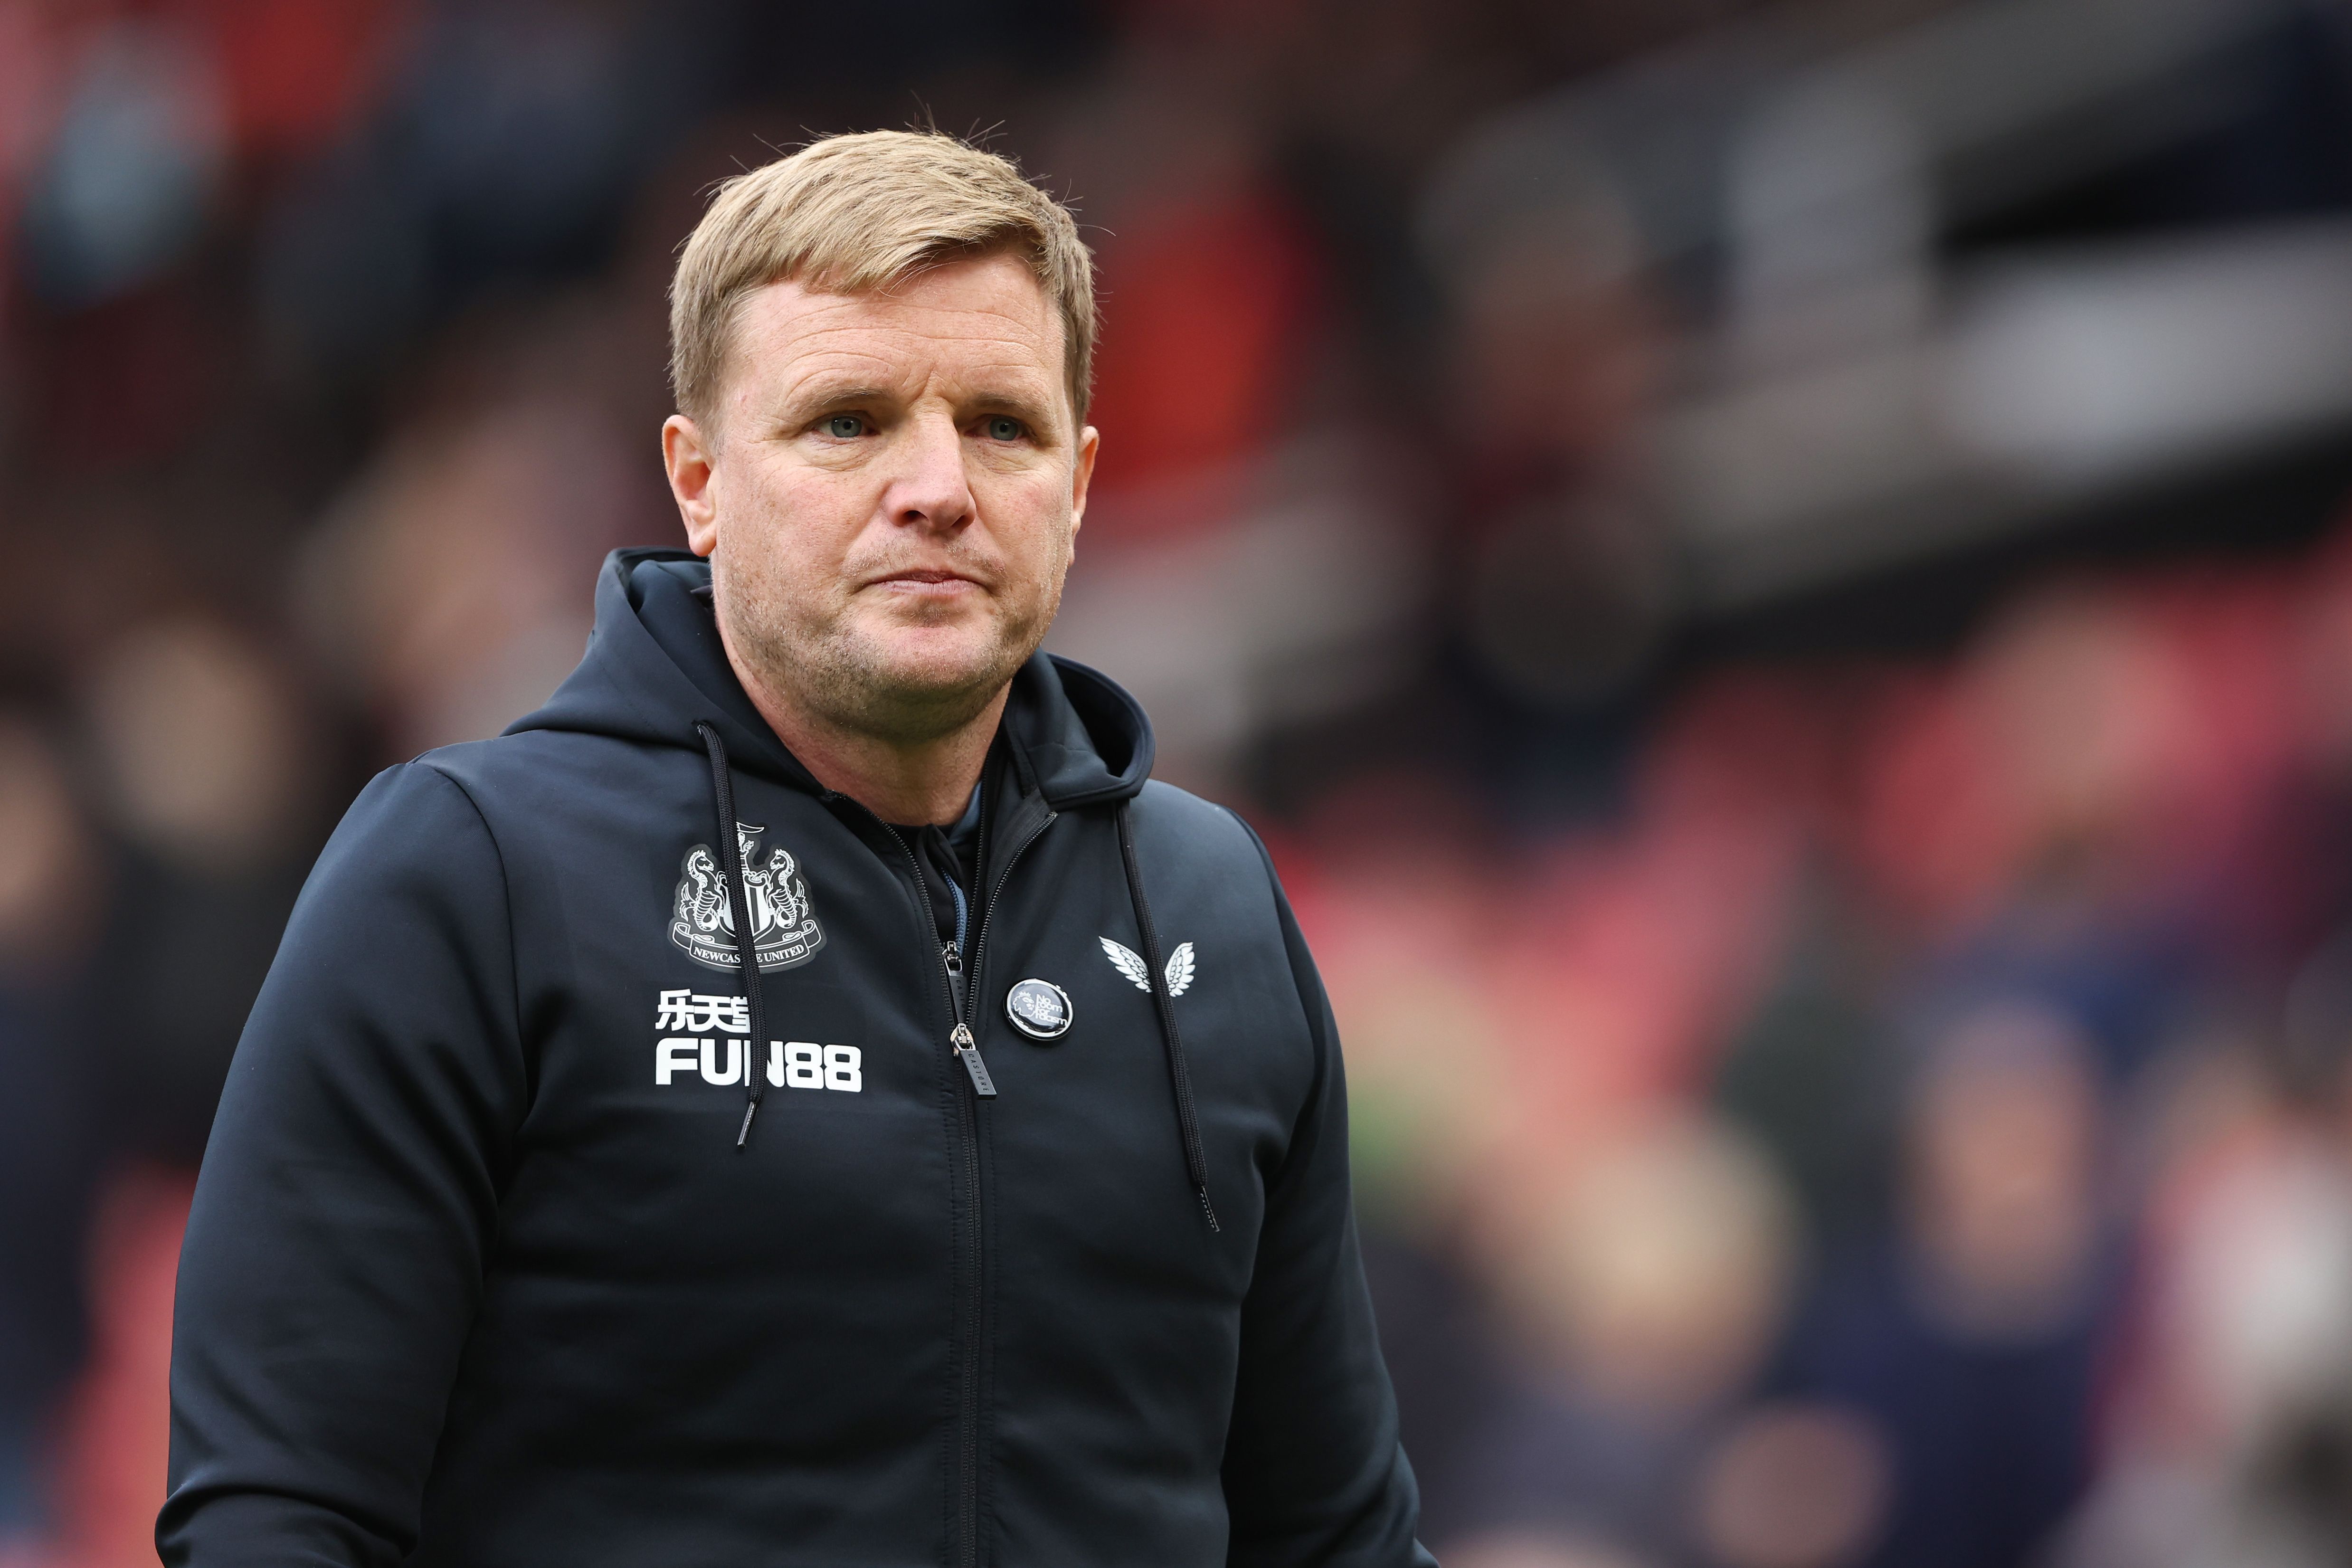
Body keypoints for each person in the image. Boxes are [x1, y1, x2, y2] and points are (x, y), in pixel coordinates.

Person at [158, 130, 1433, 1568]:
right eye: (848, 422)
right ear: (698, 482)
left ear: (1078, 483)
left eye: (1001, 426)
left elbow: (1339, 1541)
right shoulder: (470, 876)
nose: (938, 486)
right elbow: (279, 1513)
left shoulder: (1212, 906)